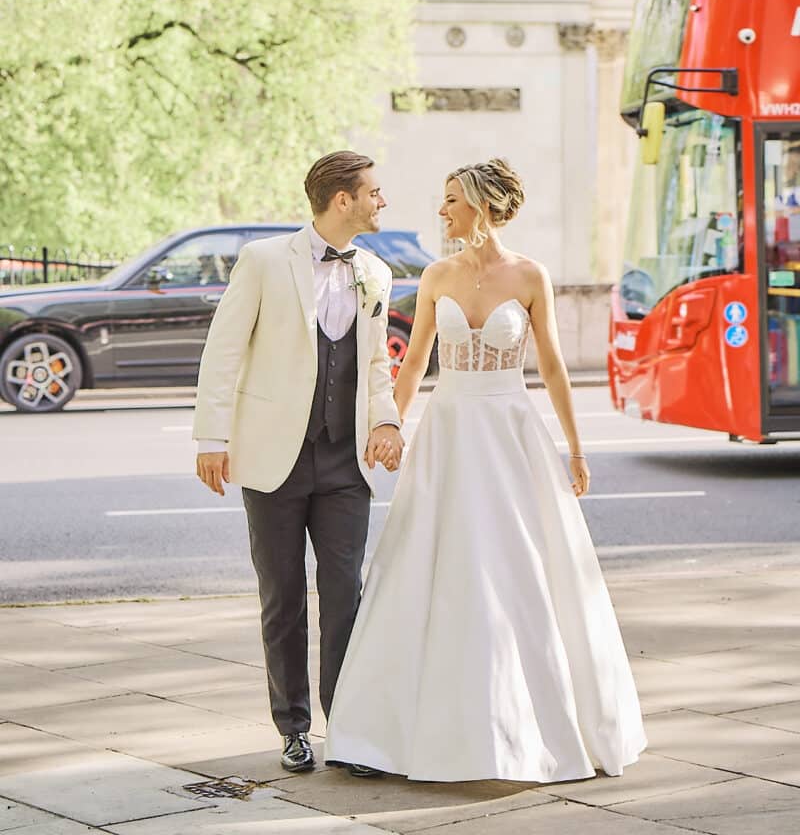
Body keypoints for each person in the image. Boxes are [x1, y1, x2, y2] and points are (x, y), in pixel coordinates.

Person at [325, 158, 647, 782]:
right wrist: (389, 425)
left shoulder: (530, 275)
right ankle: (386, 733)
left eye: (451, 200)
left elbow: (552, 367)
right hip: (448, 433)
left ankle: (532, 729)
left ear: (480, 204)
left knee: (519, 567)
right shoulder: (437, 275)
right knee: (431, 566)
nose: (441, 211)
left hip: (509, 433)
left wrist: (576, 450)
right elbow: (414, 363)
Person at [193, 151, 404, 776]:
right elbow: (223, 351)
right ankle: (293, 728)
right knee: (282, 598)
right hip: (272, 456)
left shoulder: (376, 272)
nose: (382, 201)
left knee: (345, 596)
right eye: (373, 192)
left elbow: (375, 362)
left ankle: (350, 729)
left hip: (345, 463)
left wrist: (387, 420)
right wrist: (211, 437)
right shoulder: (264, 260)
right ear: (343, 200)